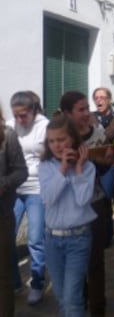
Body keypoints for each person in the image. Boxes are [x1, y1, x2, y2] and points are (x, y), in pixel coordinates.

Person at [60, 91, 114, 316]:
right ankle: (78, 301)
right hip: (68, 206)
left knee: (95, 260)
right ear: (67, 113)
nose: (87, 113)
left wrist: (108, 159)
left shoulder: (97, 133)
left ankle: (97, 308)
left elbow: (102, 170)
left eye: (87, 108)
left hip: (94, 204)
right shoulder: (59, 137)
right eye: (81, 109)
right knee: (73, 262)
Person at [39, 115, 96, 316]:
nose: (56, 145)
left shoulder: (87, 168)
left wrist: (77, 169)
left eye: (61, 139)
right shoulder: (46, 166)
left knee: (73, 298)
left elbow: (83, 200)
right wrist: (63, 169)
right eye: (52, 141)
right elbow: (48, 197)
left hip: (78, 238)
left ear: (72, 138)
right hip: (52, 238)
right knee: (61, 297)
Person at [7, 91, 48, 305]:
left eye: (23, 115)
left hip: (37, 188)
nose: (20, 120)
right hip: (14, 189)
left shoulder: (45, 126)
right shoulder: (12, 127)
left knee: (35, 239)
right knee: (6, 236)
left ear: (33, 110)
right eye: (16, 115)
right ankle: (14, 282)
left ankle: (38, 284)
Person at [0, 106, 28, 317]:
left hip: (1, 215)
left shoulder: (7, 135)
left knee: (3, 276)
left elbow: (21, 171)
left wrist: (3, 183)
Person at [92, 87, 114, 231]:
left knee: (106, 200)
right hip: (92, 165)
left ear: (109, 100)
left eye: (102, 97)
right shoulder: (91, 117)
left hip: (110, 165)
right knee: (94, 202)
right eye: (96, 98)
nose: (99, 100)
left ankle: (107, 233)